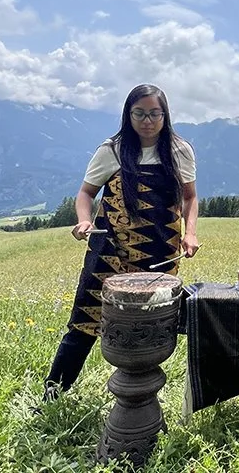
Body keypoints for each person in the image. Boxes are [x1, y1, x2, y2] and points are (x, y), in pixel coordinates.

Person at [43, 83, 199, 400]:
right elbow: (86, 193)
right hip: (107, 253)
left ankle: (140, 396)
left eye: (154, 113)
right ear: (128, 115)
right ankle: (52, 396)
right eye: (139, 113)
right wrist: (84, 220)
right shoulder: (111, 150)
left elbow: (190, 197)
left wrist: (190, 231)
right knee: (85, 322)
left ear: (165, 115)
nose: (147, 120)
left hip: (160, 252)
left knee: (150, 324)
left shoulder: (180, 151)